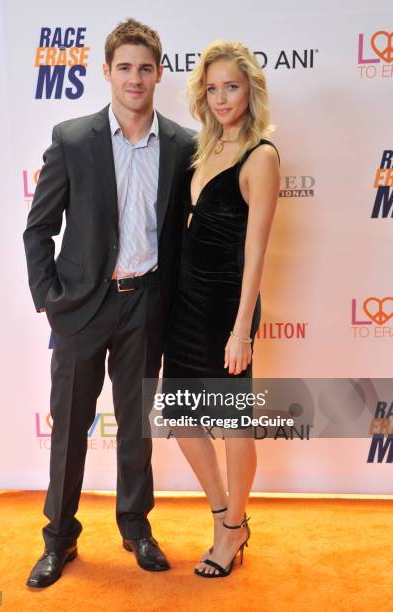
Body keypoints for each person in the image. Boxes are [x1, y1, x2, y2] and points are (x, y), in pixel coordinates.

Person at [23, 18, 194, 588]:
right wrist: (50, 298)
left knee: (136, 428)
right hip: (81, 309)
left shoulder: (182, 145)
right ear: (106, 72)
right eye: (125, 67)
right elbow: (39, 228)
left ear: (159, 74)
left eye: (145, 67)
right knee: (71, 425)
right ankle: (59, 539)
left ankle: (136, 528)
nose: (135, 78)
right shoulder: (72, 138)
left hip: (145, 305)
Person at [163, 40, 280, 577]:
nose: (221, 97)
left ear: (250, 89)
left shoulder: (262, 156)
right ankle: (222, 513)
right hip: (186, 303)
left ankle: (233, 530)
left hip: (227, 307)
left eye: (231, 86)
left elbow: (256, 251)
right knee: (183, 417)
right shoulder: (200, 148)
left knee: (234, 424)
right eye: (211, 88)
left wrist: (241, 330)